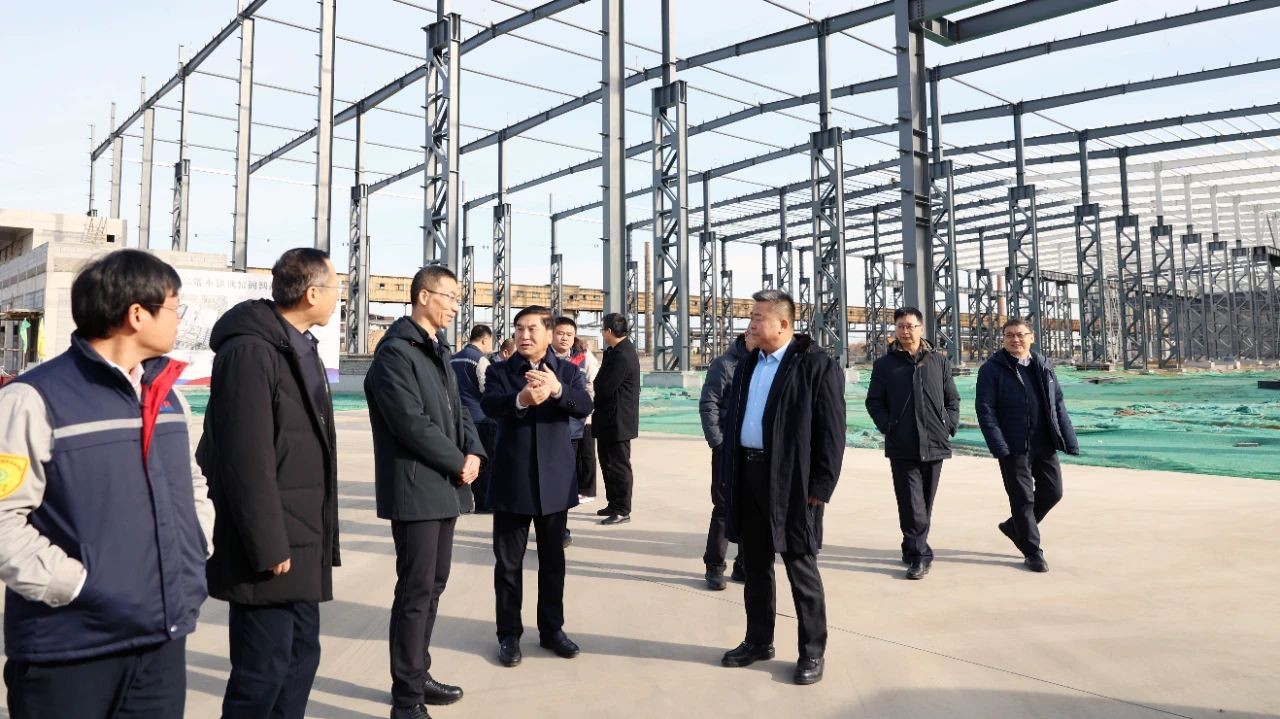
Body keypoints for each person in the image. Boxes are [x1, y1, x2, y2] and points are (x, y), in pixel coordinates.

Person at [0, 250, 214, 717]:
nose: (179, 320)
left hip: (160, 640)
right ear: (137, 314)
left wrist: (195, 548)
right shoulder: (33, 399)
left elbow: (193, 483)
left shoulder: (169, 397)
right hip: (68, 648)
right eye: (174, 307)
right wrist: (78, 586)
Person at [198, 247, 342, 719]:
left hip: (300, 535)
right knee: (261, 673)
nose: (339, 297)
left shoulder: (297, 345)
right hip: (270, 546)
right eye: (336, 288)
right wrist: (267, 543)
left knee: (299, 658)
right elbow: (245, 458)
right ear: (312, 293)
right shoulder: (250, 351)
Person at [366, 266, 485, 719]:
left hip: (444, 486)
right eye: (449, 296)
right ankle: (406, 698)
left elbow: (460, 412)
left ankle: (419, 674)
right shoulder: (396, 353)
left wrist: (474, 451)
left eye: (457, 298)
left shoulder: (437, 349)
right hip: (416, 487)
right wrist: (457, 461)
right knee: (415, 591)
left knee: (434, 585)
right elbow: (410, 423)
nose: (455, 305)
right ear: (422, 296)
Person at [718, 289, 845, 686]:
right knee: (754, 566)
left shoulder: (815, 365)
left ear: (783, 324)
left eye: (758, 318)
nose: (751, 324)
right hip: (748, 475)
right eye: (751, 317)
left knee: (800, 567)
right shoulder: (747, 364)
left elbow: (832, 432)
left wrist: (821, 486)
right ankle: (758, 641)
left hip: (793, 482)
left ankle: (812, 652)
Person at [481, 306, 592, 668]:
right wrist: (521, 400)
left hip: (554, 484)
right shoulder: (500, 371)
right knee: (508, 565)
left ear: (548, 334)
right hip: (512, 482)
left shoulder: (568, 372)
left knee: (553, 563)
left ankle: (551, 630)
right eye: (519, 329)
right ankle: (509, 634)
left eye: (531, 329)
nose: (524, 335)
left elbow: (584, 405)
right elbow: (490, 405)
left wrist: (557, 390)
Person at [975, 318, 1079, 573]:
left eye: (1020, 334)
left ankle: (1015, 527)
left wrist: (1068, 438)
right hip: (1013, 445)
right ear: (1003, 339)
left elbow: (1057, 403)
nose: (1015, 339)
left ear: (1032, 337)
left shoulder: (1043, 365)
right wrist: (998, 445)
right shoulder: (992, 369)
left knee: (1053, 491)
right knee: (1022, 498)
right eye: (1009, 335)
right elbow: (985, 410)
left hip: (1044, 441)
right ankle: (1032, 551)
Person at [864, 307, 960, 581]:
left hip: (934, 442)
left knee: (924, 503)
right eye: (900, 326)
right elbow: (874, 401)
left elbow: (952, 398)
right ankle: (920, 556)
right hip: (902, 444)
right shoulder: (885, 365)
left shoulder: (938, 361)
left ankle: (911, 544)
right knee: (911, 503)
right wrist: (888, 427)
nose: (905, 331)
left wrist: (949, 424)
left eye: (910, 326)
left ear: (921, 328)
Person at [698, 332, 754, 590]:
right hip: (727, 449)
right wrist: (718, 442)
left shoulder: (766, 366)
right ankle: (714, 566)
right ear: (746, 336)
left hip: (755, 449)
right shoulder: (724, 364)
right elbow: (708, 403)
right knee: (723, 508)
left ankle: (743, 565)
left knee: (752, 507)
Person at [593, 312, 640, 526]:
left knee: (619, 465)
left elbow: (604, 386)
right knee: (607, 463)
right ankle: (613, 503)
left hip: (618, 420)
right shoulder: (615, 351)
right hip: (608, 419)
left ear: (609, 331)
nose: (602, 334)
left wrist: (596, 386)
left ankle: (622, 508)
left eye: (603, 330)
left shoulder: (623, 355)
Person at [552, 318, 600, 505]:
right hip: (552, 419)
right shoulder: (544, 357)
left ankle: (583, 490)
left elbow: (592, 384)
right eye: (560, 333)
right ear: (551, 335)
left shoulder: (582, 357)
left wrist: (587, 410)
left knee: (582, 455)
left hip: (578, 416)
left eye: (569, 334)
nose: (564, 338)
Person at [451, 323, 497, 513]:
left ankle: (459, 501)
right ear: (485, 339)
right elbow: (488, 390)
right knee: (483, 460)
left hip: (455, 418)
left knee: (460, 460)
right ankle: (483, 502)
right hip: (480, 418)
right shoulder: (480, 360)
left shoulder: (452, 359)